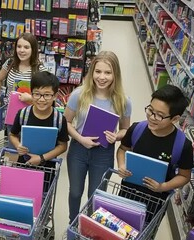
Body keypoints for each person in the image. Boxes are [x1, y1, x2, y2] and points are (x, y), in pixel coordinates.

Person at [64, 51, 132, 223]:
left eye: (108, 73)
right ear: (92, 72)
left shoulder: (123, 101)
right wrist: (80, 139)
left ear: (115, 74)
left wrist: (116, 136)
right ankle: (73, 222)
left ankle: (90, 226)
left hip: (103, 152)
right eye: (98, 72)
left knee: (96, 195)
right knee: (75, 192)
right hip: (78, 150)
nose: (102, 77)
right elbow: (66, 123)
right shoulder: (79, 94)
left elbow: (125, 130)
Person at [117, 84, 193, 221]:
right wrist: (122, 165)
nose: (152, 117)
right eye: (150, 110)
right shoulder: (137, 129)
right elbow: (122, 149)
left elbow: (184, 176)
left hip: (155, 202)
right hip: (127, 193)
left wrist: (163, 186)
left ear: (175, 119)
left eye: (159, 116)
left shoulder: (183, 145)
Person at [9, 71, 69, 168]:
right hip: (24, 165)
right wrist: (18, 145)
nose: (41, 99)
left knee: (45, 184)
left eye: (47, 95)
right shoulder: (23, 115)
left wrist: (41, 158)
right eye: (37, 94)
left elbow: (63, 146)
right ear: (31, 93)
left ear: (55, 96)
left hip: (47, 169)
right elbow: (12, 134)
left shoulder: (59, 120)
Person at [0, 32, 46, 107]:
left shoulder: (40, 70)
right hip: (9, 109)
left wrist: (31, 98)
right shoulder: (10, 63)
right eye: (19, 46)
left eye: (26, 47)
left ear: (33, 50)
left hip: (30, 112)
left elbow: (46, 99)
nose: (21, 50)